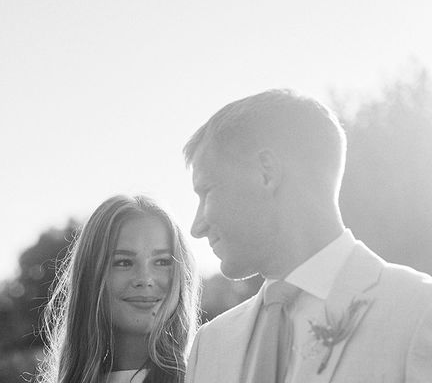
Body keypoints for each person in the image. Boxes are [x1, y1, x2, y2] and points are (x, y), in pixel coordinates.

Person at [183, 89, 432, 383]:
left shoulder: (418, 311)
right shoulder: (210, 344)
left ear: (266, 173)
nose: (196, 227)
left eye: (207, 191)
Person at [37, 195, 200, 383]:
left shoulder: (211, 375)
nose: (145, 279)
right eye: (123, 262)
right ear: (91, 277)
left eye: (162, 261)